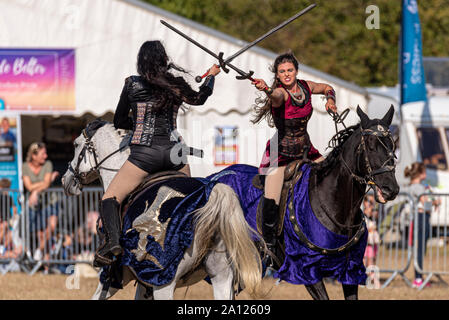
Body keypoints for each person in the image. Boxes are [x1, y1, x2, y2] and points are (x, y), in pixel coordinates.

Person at [94, 40, 221, 267]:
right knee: (192, 199)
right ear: (164, 60)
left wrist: (136, 124)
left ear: (141, 61)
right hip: (176, 155)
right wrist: (212, 76)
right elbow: (199, 98)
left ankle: (112, 244)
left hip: (145, 156)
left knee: (109, 198)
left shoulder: (132, 84)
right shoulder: (175, 84)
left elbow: (119, 120)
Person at [251, 52, 338, 269]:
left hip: (307, 149)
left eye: (290, 70)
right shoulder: (279, 92)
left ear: (296, 71)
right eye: (282, 72)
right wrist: (267, 90)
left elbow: (328, 87)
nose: (287, 74)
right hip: (280, 155)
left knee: (333, 178)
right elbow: (276, 97)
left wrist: (330, 100)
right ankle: (269, 248)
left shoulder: (307, 87)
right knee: (272, 198)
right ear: (277, 76)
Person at [402, 162, 440, 288]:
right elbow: (425, 201)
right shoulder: (418, 187)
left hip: (422, 218)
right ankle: (418, 278)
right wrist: (435, 201)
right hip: (420, 218)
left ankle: (419, 276)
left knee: (421, 249)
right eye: (425, 171)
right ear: (420, 173)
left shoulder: (417, 186)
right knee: (420, 250)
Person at [22, 142, 60, 261]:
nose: (46, 156)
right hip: (36, 205)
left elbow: (47, 183)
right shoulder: (25, 166)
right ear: (34, 155)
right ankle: (44, 263)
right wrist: (42, 184)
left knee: (52, 226)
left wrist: (35, 190)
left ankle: (40, 250)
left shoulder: (48, 164)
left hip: (50, 201)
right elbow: (28, 186)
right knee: (41, 233)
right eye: (43, 153)